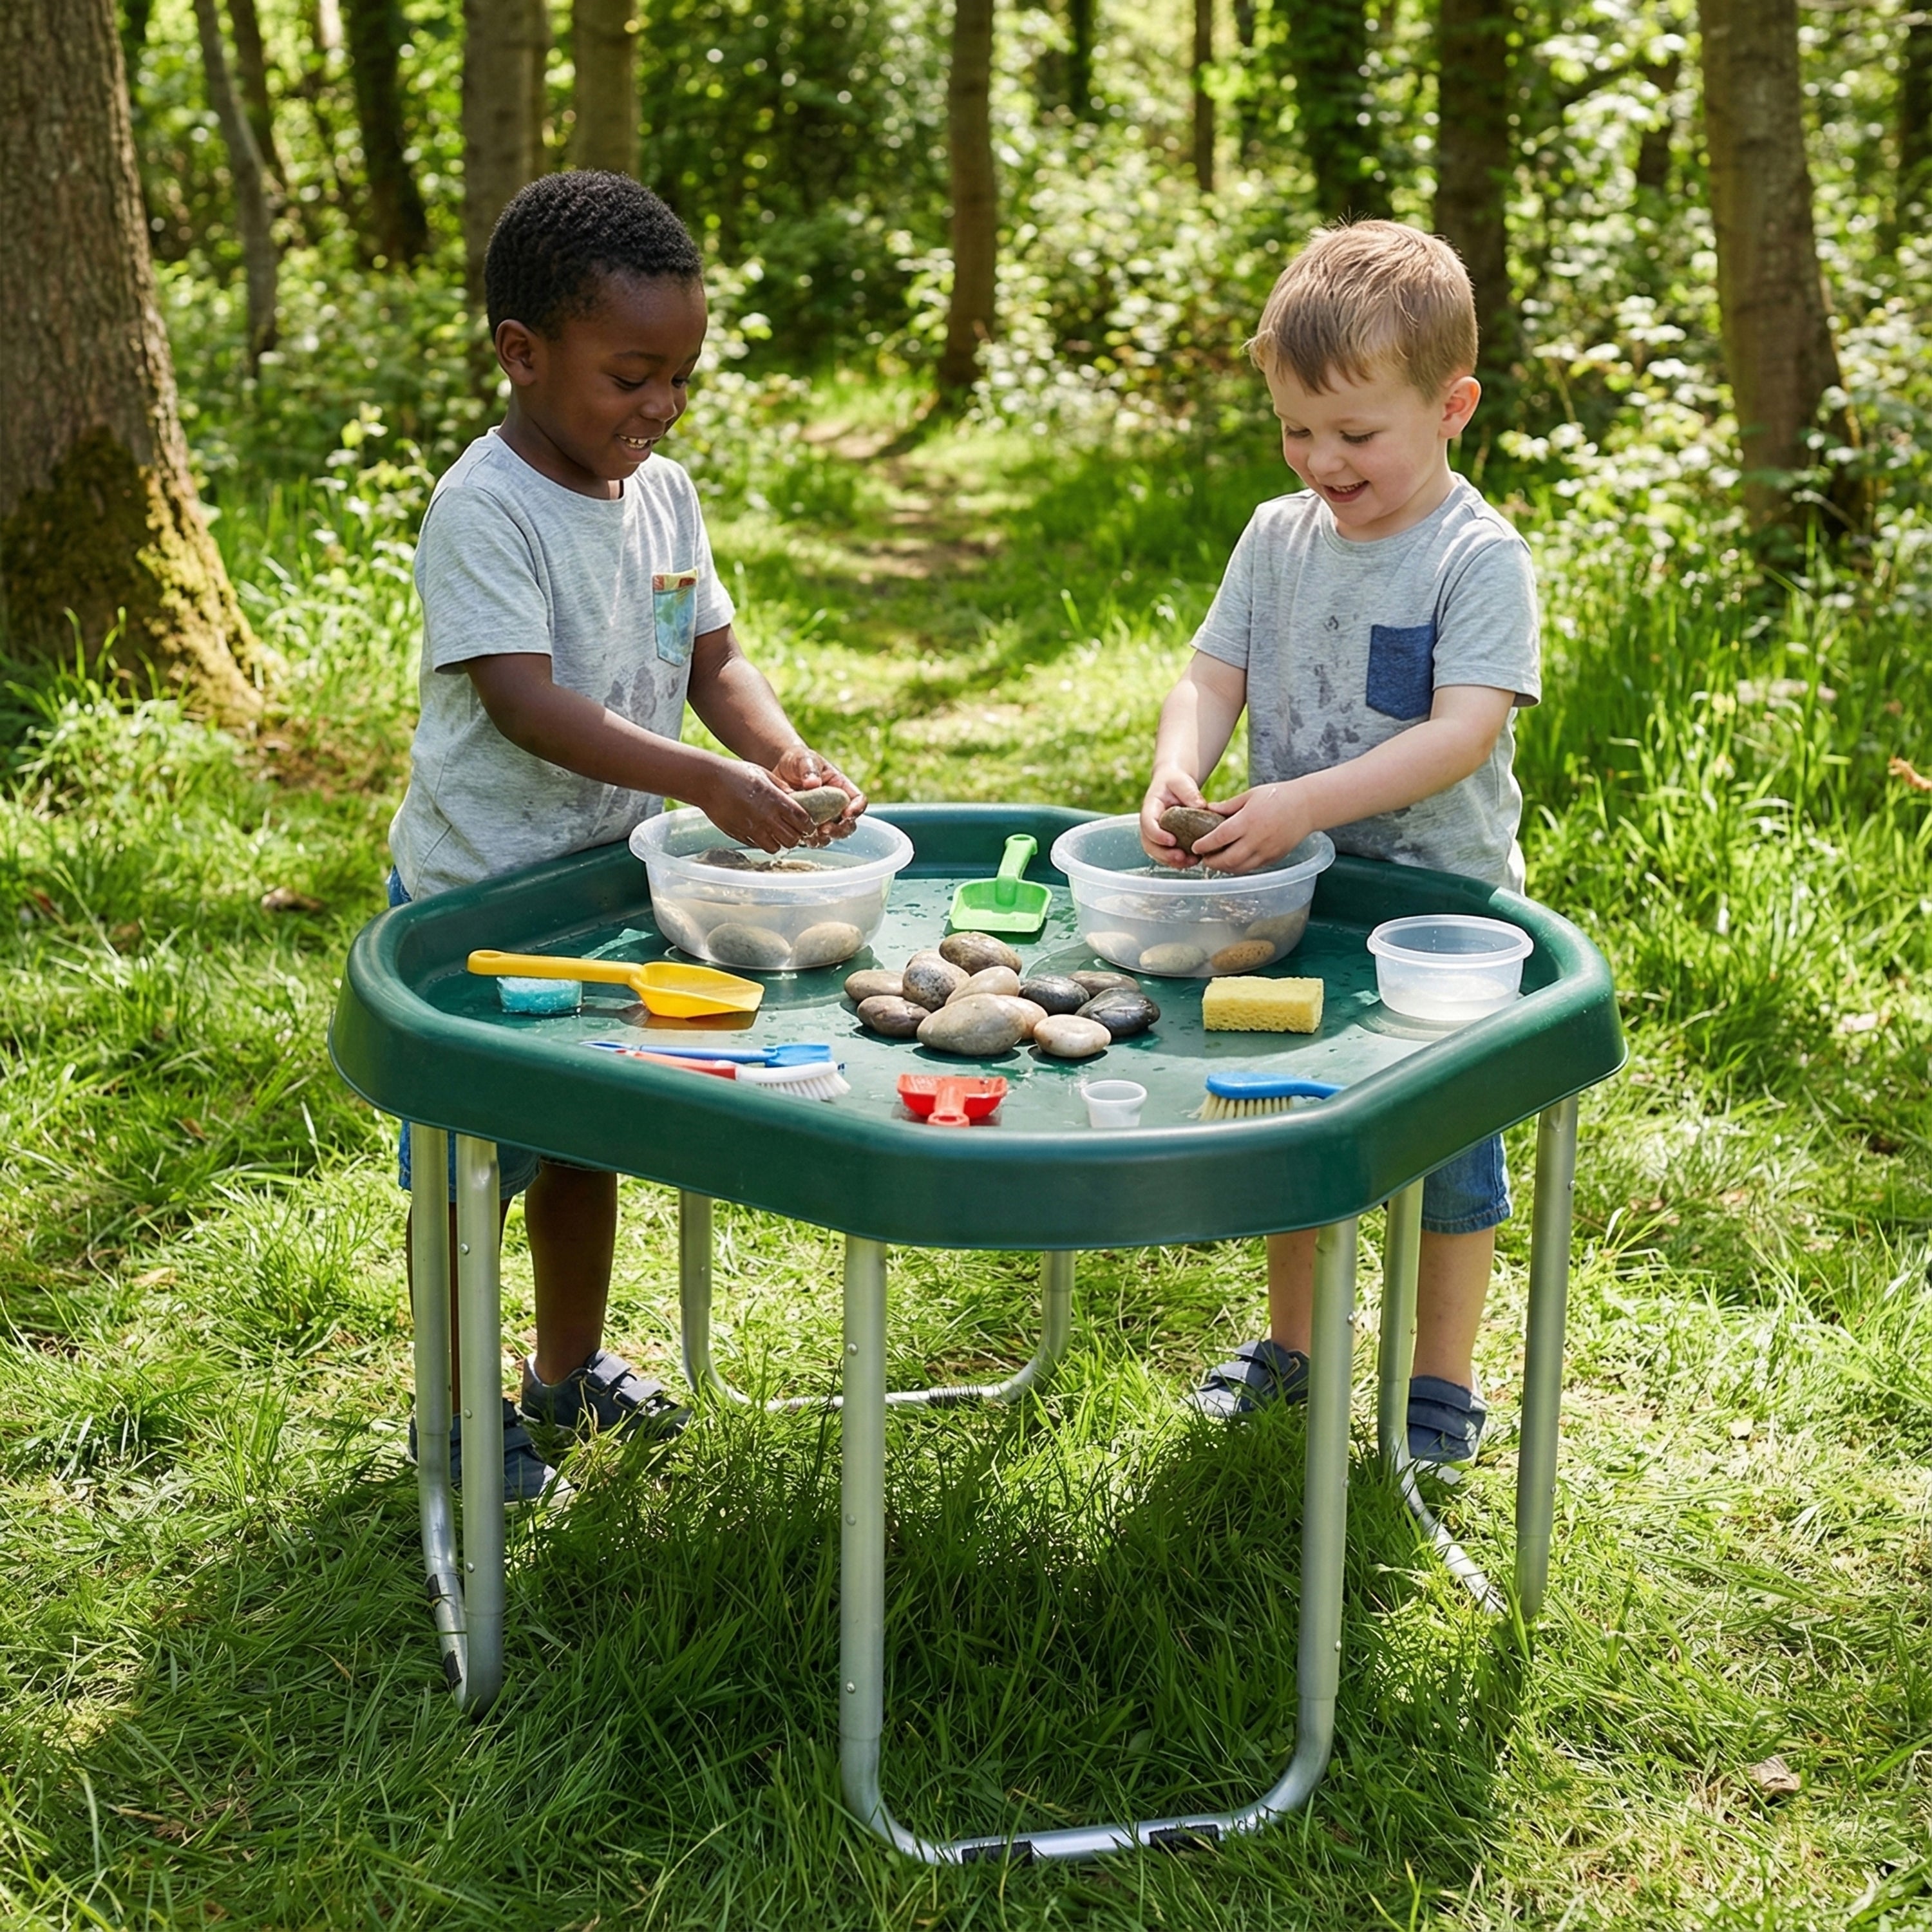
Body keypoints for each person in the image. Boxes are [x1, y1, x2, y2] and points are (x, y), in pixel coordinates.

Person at [388, 171, 864, 1502]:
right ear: (523, 353)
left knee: (583, 1141)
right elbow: (524, 701)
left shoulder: (664, 495)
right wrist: (707, 783)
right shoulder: (485, 507)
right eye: (630, 377)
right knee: (477, 1172)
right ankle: (455, 1416)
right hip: (481, 909)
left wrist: (777, 752)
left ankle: (567, 1370)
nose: (659, 407)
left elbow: (712, 657)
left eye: (681, 380)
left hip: (603, 893)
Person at [1139, 220, 1540, 1476]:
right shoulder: (1278, 537)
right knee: (1292, 1120)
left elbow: (1461, 734)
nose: (1322, 460)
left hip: (1438, 918)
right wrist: (1178, 761)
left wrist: (1302, 801)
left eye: (1356, 434)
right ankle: (1293, 1344)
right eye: (1296, 430)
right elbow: (1211, 675)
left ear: (1452, 407)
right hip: (1294, 898)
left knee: (1451, 1164)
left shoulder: (1476, 557)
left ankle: (1440, 1381)